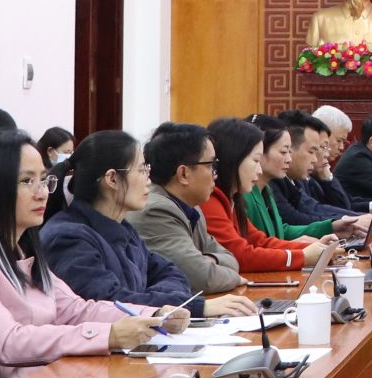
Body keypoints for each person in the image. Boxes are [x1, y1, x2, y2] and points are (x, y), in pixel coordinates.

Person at [0, 129, 180, 378]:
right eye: (26, 181)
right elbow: (8, 343)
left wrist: (155, 316)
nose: (41, 193)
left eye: (43, 179)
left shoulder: (18, 249)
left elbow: (75, 310)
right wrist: (109, 336)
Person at [39, 131, 256, 318]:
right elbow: (110, 303)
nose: (148, 180)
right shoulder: (67, 237)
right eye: (142, 170)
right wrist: (193, 307)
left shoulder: (122, 228)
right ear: (112, 179)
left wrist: (152, 298)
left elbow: (173, 274)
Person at [129, 122, 247, 295]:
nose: (215, 174)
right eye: (211, 166)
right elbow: (201, 279)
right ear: (183, 174)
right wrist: (234, 278)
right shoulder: (156, 211)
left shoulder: (192, 208)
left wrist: (210, 259)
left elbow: (231, 258)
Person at [203, 117, 330, 271]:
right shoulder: (209, 200)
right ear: (233, 159)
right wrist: (302, 256)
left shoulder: (233, 198)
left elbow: (259, 241)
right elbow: (241, 255)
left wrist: (314, 249)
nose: (259, 170)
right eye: (256, 160)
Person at [272, 114, 372, 229]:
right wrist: (356, 220)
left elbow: (320, 207)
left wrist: (361, 219)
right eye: (319, 148)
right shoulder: (278, 179)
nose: (324, 154)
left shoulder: (301, 176)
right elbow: (294, 218)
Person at [247, 115, 360, 240]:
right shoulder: (245, 194)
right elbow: (253, 246)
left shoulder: (266, 189)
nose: (289, 159)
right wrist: (295, 249)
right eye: (283, 152)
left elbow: (279, 230)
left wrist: (331, 227)